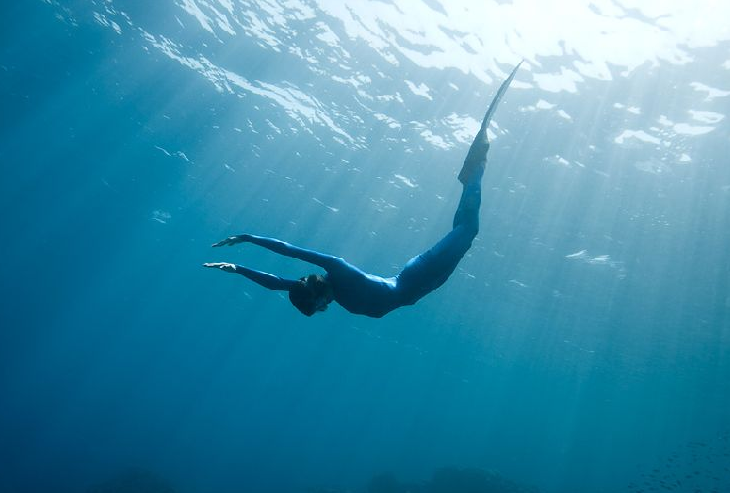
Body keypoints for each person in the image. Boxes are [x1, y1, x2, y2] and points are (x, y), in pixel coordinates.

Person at [204, 61, 523, 318]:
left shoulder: (337, 272)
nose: (325, 309)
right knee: (465, 231)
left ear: (316, 295)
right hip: (420, 285)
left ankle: (476, 160)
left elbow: (292, 250)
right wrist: (236, 267)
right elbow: (274, 284)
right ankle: (471, 172)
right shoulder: (331, 288)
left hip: (414, 279)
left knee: (468, 230)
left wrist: (249, 237)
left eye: (318, 307)